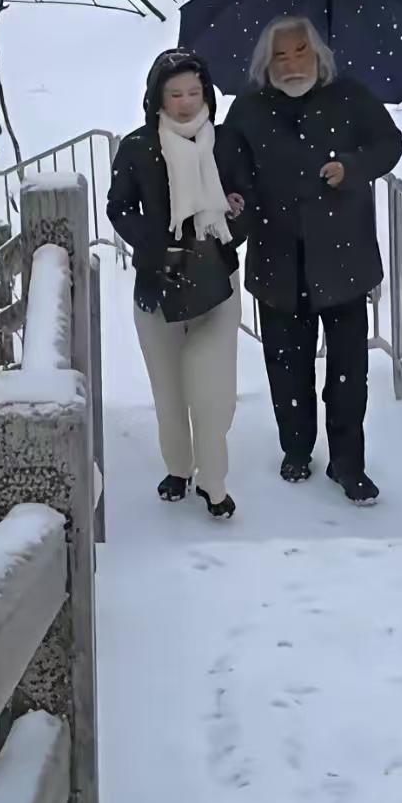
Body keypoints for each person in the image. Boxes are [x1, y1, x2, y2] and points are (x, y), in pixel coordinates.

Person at [225, 14, 402, 506]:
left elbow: (390, 144)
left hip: (344, 259)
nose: (291, 63)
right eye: (280, 55)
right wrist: (235, 199)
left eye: (300, 51)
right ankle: (296, 448)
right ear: (267, 62)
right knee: (286, 366)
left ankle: (349, 465)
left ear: (318, 53)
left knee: (349, 373)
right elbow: (231, 170)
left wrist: (351, 167)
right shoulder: (249, 108)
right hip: (277, 258)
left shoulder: (350, 95)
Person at [107, 48, 249, 519]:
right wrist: (156, 241)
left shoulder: (226, 143)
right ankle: (179, 467)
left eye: (194, 92)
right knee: (168, 390)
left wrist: (233, 211)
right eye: (175, 94)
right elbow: (119, 207)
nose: (186, 102)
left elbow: (249, 203)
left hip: (216, 279)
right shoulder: (137, 147)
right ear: (157, 98)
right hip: (159, 280)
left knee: (211, 390)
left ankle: (213, 480)